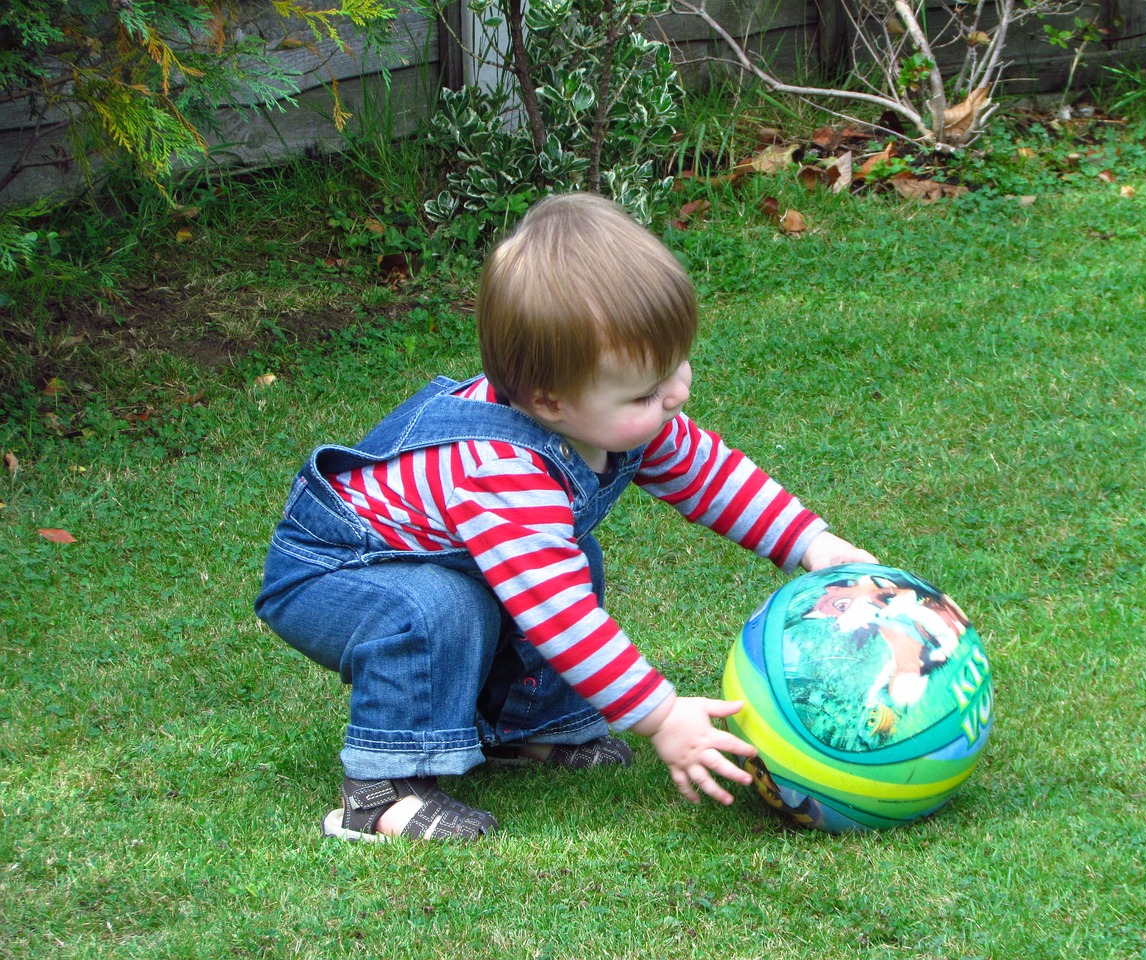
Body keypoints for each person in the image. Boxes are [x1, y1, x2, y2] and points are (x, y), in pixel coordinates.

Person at [254, 192, 878, 841]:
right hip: (339, 571)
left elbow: (710, 474)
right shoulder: (499, 471)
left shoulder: (621, 419)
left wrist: (811, 544)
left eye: (676, 366)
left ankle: (530, 727)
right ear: (549, 400)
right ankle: (382, 792)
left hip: (430, 552)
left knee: (559, 560)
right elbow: (561, 617)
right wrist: (662, 715)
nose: (677, 394)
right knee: (435, 609)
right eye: (645, 391)